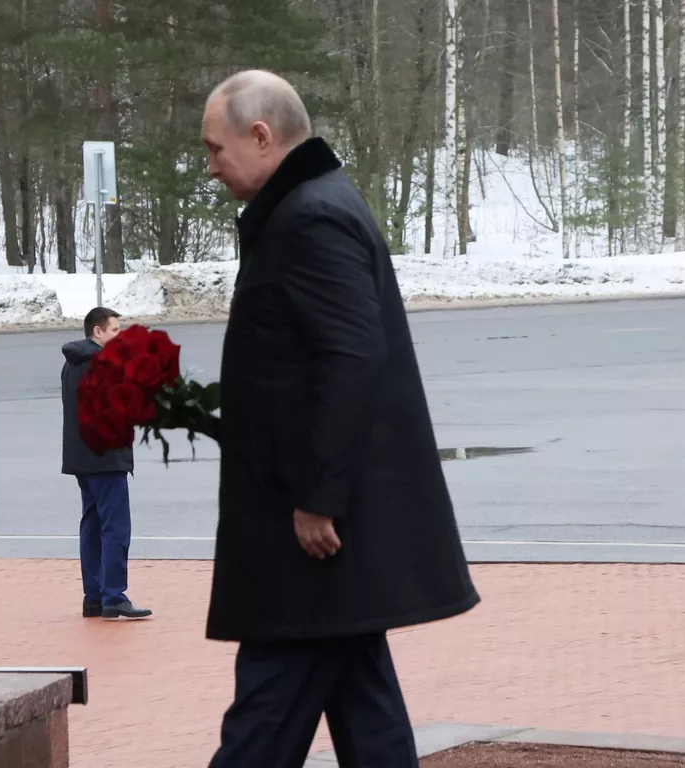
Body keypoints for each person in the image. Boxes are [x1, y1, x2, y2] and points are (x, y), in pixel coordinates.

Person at [199, 70, 480, 767]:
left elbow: (352, 357)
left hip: (312, 532)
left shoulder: (310, 216)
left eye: (215, 148)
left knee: (266, 714)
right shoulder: (306, 206)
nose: (210, 167)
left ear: (262, 137)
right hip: (318, 527)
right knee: (364, 705)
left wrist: (318, 497)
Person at [60, 307, 153, 621]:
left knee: (92, 525)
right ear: (96, 332)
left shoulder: (73, 363)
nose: (120, 335)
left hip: (82, 457)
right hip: (105, 457)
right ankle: (114, 596)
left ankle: (94, 596)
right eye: (114, 330)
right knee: (115, 528)